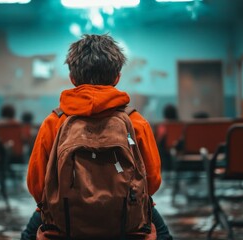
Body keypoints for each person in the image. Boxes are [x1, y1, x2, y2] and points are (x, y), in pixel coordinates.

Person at [22, 34, 172, 240]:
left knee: (28, 235)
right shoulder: (135, 122)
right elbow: (152, 182)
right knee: (163, 234)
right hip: (126, 223)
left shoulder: (54, 122)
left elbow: (36, 186)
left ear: (72, 79)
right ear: (117, 77)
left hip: (65, 222)